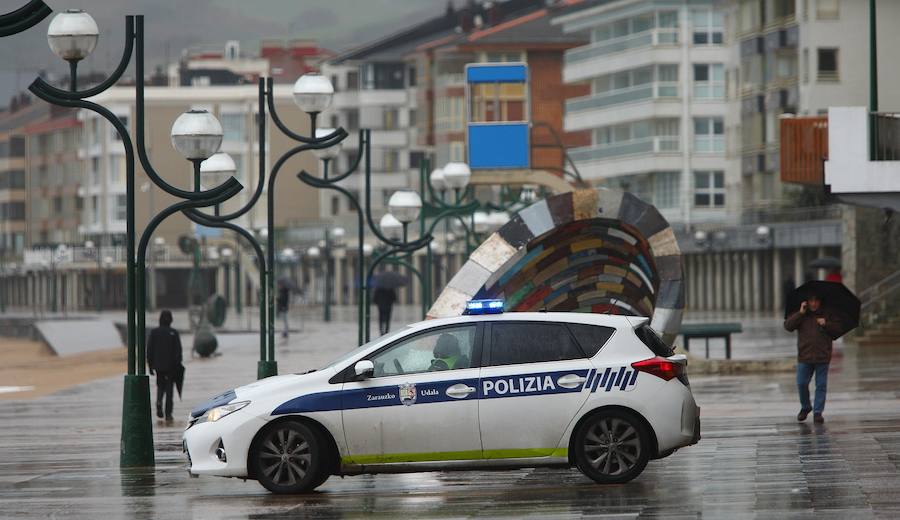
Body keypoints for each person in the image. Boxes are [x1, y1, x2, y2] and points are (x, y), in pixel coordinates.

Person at [783, 295, 842, 424]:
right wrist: (800, 313)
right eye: (811, 301)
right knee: (801, 383)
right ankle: (805, 407)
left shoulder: (828, 314)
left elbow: (838, 330)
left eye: (816, 301)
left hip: (822, 356)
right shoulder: (801, 314)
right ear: (807, 302)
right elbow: (788, 326)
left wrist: (826, 323)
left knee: (821, 385)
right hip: (804, 356)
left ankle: (817, 412)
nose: (814, 303)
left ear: (820, 301)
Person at [147, 310, 183, 422]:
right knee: (169, 390)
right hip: (171, 367)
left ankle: (158, 402)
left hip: (159, 367)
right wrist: (177, 364)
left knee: (160, 386)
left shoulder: (154, 332)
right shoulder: (174, 333)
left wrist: (150, 365)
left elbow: (149, 350)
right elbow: (178, 351)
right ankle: (168, 414)